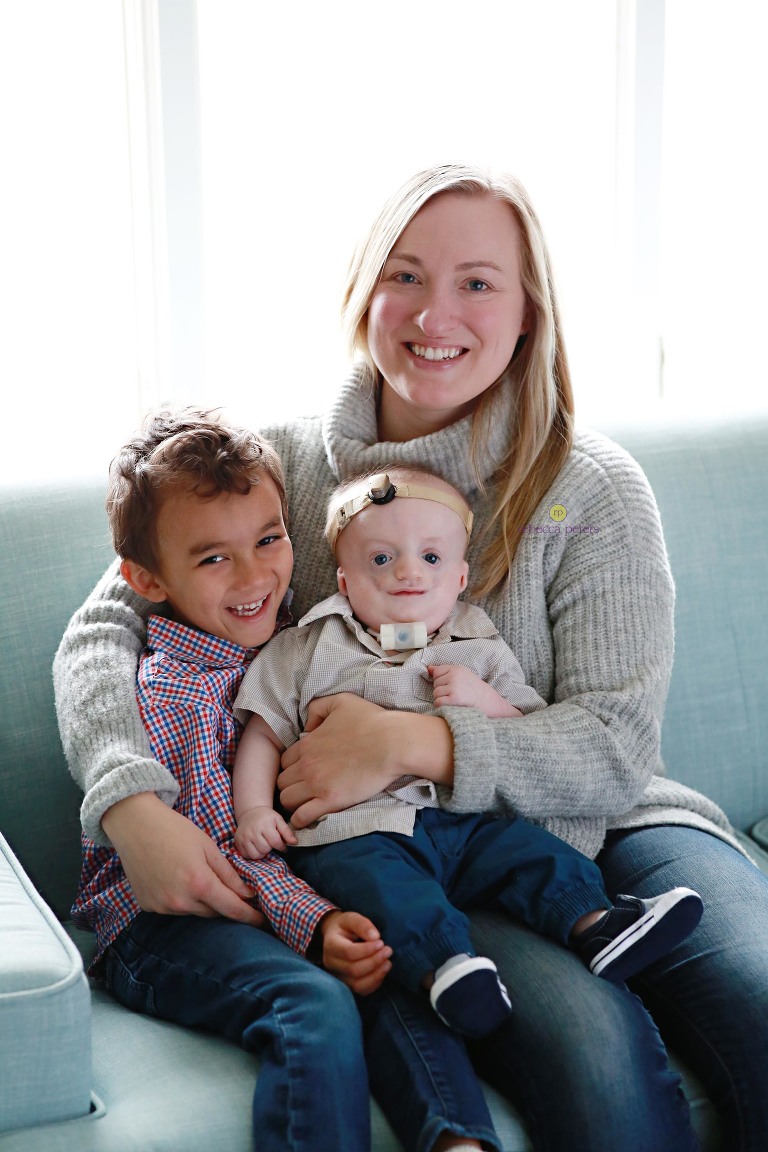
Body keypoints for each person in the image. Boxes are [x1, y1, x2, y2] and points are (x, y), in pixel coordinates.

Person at [53, 163, 768, 1152]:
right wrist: (131, 804)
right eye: (405, 275)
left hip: (613, 818)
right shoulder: (276, 467)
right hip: (407, 847)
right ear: (364, 293)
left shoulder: (591, 488)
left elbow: (615, 748)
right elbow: (103, 632)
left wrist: (407, 740)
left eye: (478, 282)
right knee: (599, 1061)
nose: (436, 314)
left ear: (529, 312)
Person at [70, 408, 507, 1152]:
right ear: (147, 579)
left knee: (393, 963)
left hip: (286, 885)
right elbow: (225, 849)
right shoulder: (177, 692)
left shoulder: (302, 640)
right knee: (313, 1002)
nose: (254, 577)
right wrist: (316, 923)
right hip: (169, 921)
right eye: (214, 558)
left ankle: (455, 1138)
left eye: (269, 541)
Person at [232, 463, 703, 1037]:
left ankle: (597, 922)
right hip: (359, 831)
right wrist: (253, 811)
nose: (408, 571)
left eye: (431, 558)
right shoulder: (307, 646)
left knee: (527, 851)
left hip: (464, 818)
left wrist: (487, 702)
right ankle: (449, 969)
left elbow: (529, 729)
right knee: (383, 892)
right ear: (344, 581)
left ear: (459, 578)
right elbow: (263, 729)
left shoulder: (478, 646)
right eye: (381, 558)